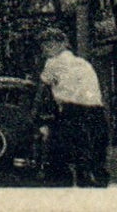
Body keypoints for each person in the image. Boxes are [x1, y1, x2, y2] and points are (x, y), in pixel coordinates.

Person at [37, 27, 109, 187]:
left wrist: (38, 115)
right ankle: (95, 179)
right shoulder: (83, 63)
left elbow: (43, 90)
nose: (46, 50)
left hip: (73, 111)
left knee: (59, 154)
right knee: (93, 154)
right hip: (97, 111)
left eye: (49, 45)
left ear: (61, 44)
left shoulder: (52, 63)